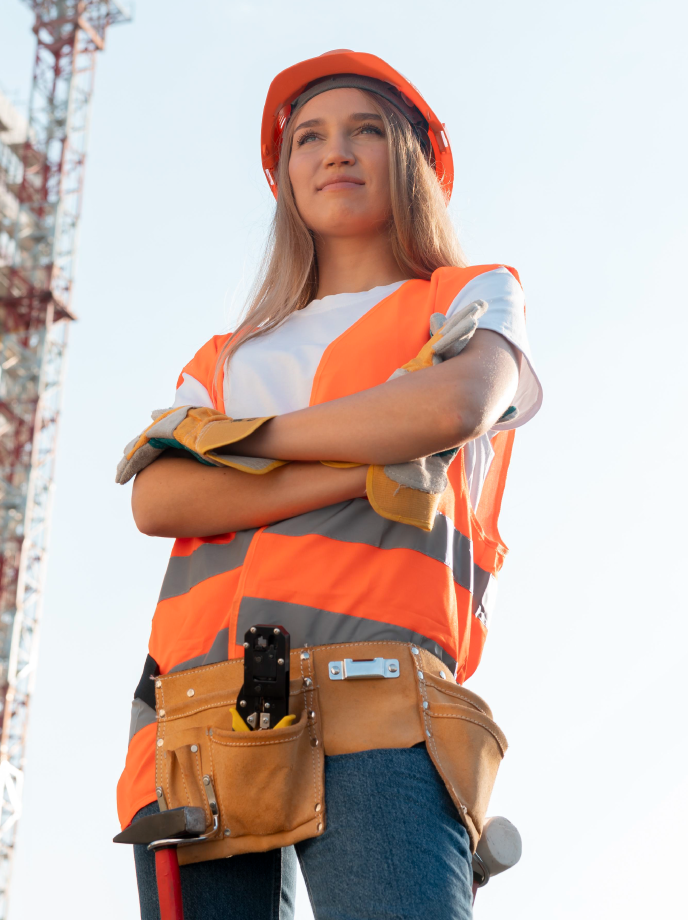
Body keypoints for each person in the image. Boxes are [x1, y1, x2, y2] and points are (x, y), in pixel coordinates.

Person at [116, 51, 542, 920]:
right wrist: (360, 463)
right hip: (194, 720)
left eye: (364, 131)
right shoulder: (227, 355)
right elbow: (159, 500)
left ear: (413, 156)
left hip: (379, 708)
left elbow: (453, 405)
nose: (334, 152)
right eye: (309, 137)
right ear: (285, 177)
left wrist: (231, 448)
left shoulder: (468, 299)